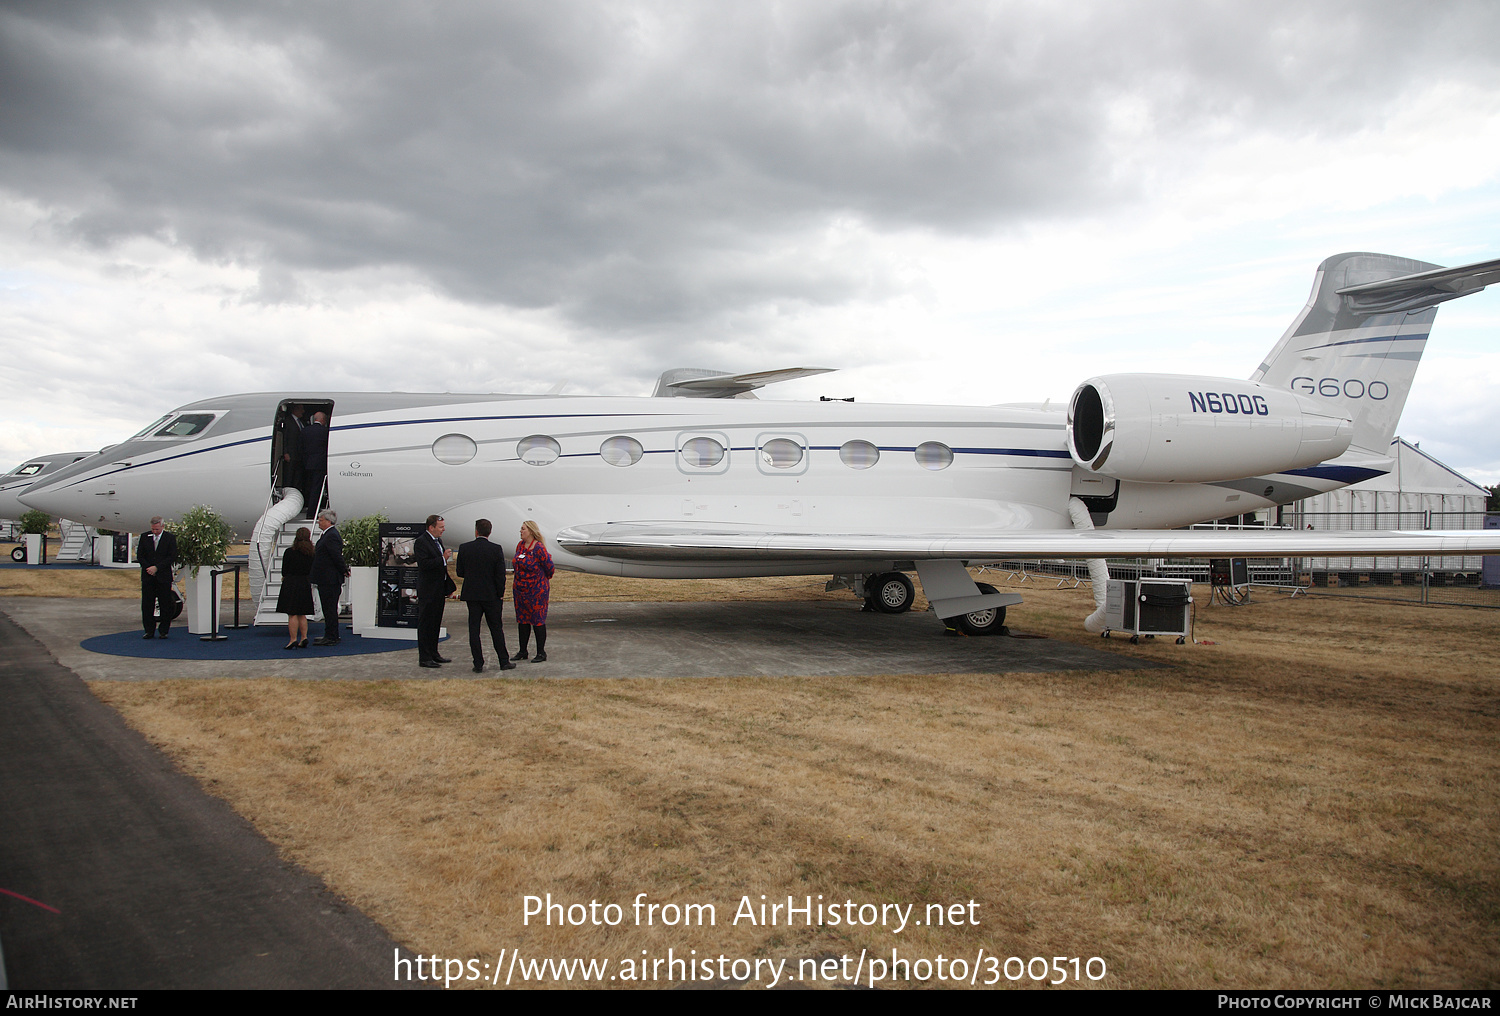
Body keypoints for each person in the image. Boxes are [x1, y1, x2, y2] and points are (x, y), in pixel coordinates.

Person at [457, 519, 515, 674]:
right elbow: (500, 575)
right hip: (491, 596)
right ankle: (503, 660)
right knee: (496, 629)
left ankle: (478, 663)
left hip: (472, 595)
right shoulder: (496, 549)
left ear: (476, 531)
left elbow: (460, 572)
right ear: (490, 532)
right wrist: (500, 593)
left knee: (474, 630)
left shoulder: (464, 548)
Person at [415, 513, 456, 668]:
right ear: (431, 527)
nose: (443, 530)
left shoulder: (438, 541)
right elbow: (424, 564)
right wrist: (442, 559)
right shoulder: (421, 542)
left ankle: (434, 653)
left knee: (435, 623)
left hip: (439, 589)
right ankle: (424, 657)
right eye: (441, 527)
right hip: (428, 590)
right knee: (426, 623)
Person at [512, 520, 554, 663]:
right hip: (520, 591)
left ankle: (541, 653)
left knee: (537, 621)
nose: (520, 531)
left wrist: (539, 581)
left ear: (530, 531)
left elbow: (549, 568)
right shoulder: (520, 546)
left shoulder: (538, 548)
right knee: (522, 621)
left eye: (523, 529)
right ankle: (523, 651)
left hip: (536, 592)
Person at [311, 509, 349, 646]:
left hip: (329, 579)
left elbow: (336, 556)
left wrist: (343, 569)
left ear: (328, 521)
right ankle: (331, 634)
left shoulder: (331, 535)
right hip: (326, 578)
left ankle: (331, 636)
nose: (318, 523)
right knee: (328, 608)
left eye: (320, 520)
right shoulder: (327, 534)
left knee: (329, 609)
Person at [136, 515, 178, 639]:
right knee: (147, 604)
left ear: (162, 527)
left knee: (165, 603)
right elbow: (140, 555)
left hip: (163, 576)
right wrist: (148, 567)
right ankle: (149, 630)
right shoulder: (145, 537)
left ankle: (164, 630)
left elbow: (171, 556)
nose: (154, 532)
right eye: (153, 529)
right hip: (148, 576)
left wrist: (157, 567)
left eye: (157, 530)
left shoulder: (169, 538)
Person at [276, 527, 316, 649]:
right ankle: (304, 637)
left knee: (292, 613)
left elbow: (284, 570)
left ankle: (293, 639)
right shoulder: (311, 553)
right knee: (302, 614)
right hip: (304, 582)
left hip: (291, 582)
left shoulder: (289, 552)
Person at [301, 410, 330, 517]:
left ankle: (307, 507)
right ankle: (312, 512)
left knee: (309, 487)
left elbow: (301, 447)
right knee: (317, 488)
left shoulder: (305, 430)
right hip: (320, 464)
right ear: (323, 420)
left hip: (307, 463)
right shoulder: (325, 431)